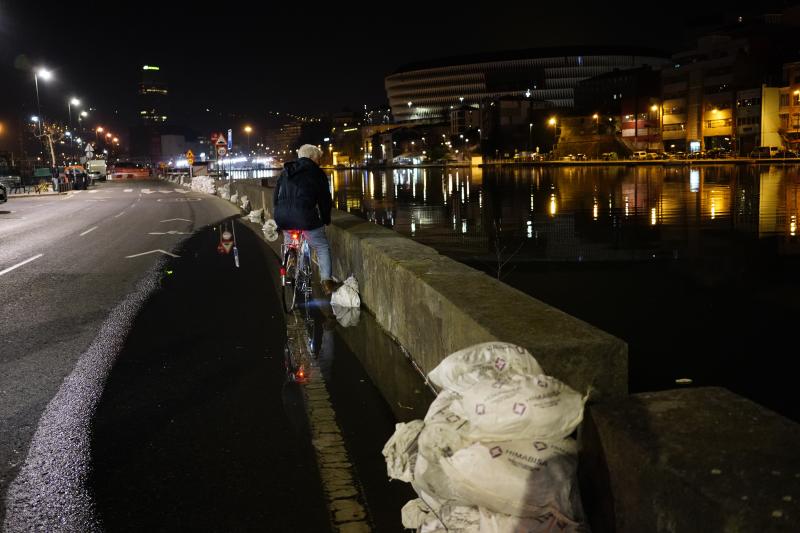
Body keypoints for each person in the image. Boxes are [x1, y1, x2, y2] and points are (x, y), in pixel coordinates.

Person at [274, 144, 340, 295]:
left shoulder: (285, 171)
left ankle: (291, 258)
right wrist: (325, 219)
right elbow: (324, 200)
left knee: (290, 239)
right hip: (305, 218)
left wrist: (278, 216)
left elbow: (275, 196)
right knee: (322, 246)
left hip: (282, 216)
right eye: (318, 159)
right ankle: (327, 282)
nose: (319, 162)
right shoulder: (316, 173)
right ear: (311, 157)